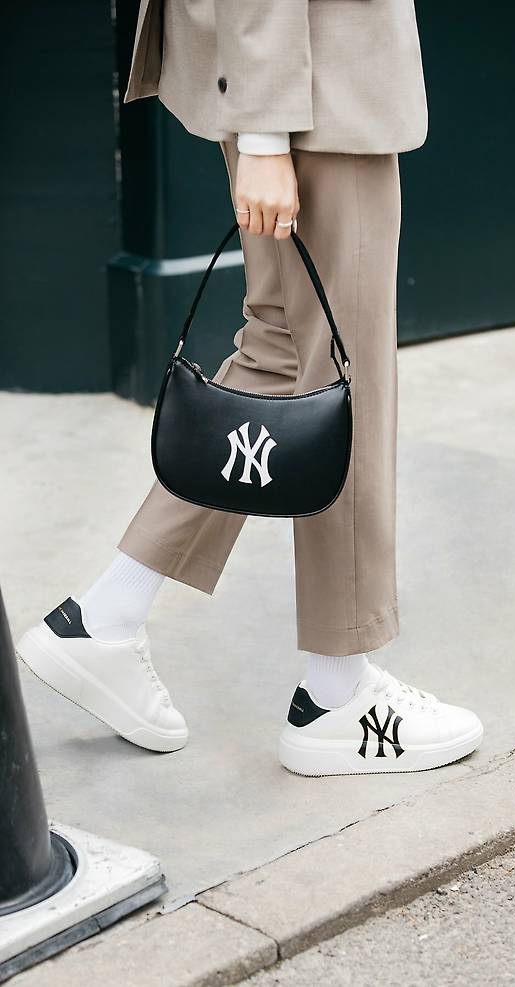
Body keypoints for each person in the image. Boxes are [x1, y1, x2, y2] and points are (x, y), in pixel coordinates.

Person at [17, 0, 483, 776]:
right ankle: (338, 696)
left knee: (281, 348)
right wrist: (266, 134)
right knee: (347, 375)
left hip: (296, 79)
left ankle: (103, 619)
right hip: (317, 87)